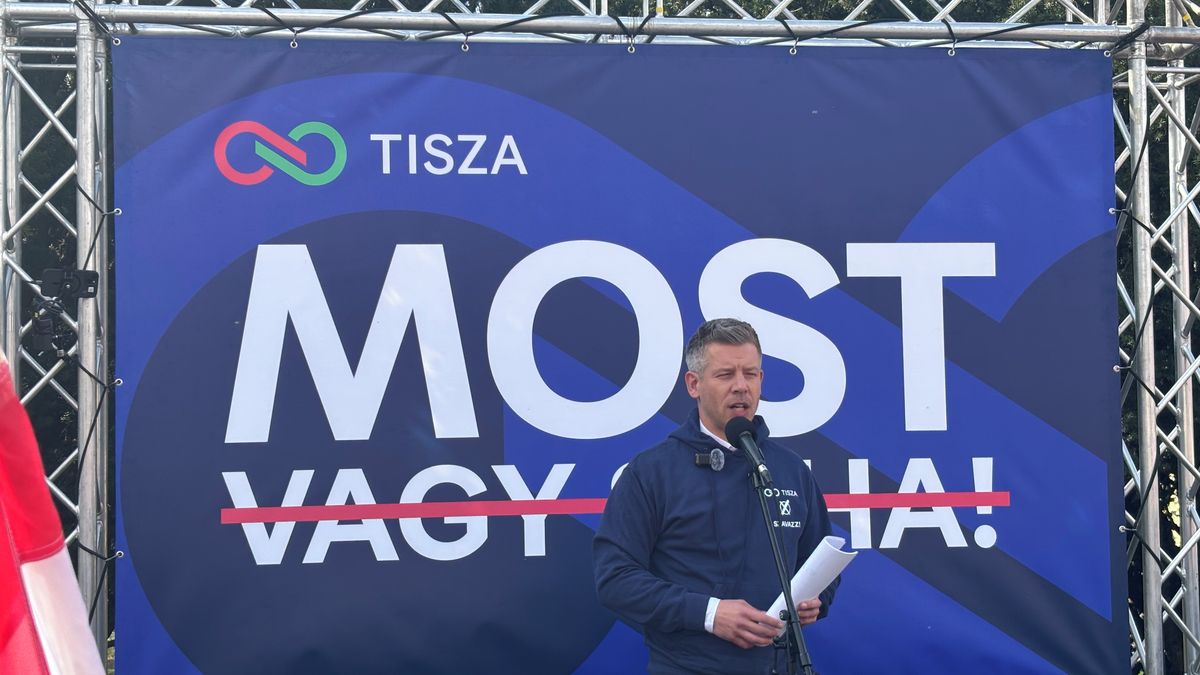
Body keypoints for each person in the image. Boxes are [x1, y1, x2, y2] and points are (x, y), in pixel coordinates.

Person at [593, 318, 838, 675]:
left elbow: (821, 565)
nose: (741, 386)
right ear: (694, 384)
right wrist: (709, 614)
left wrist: (816, 600)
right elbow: (615, 579)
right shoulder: (651, 472)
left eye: (750, 374)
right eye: (725, 375)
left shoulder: (791, 470)